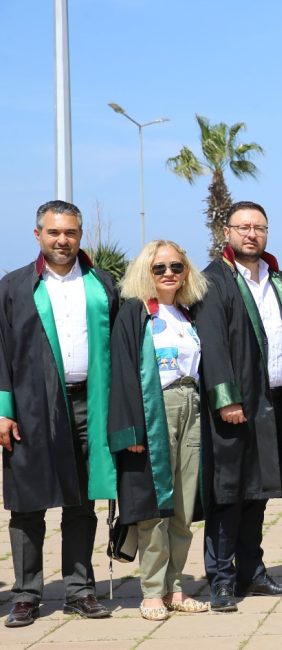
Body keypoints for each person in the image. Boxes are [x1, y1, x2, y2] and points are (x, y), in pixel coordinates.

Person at [0, 200, 118, 627]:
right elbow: (1, 353)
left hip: (91, 403)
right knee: (27, 504)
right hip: (32, 408)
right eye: (54, 233)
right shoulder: (13, 287)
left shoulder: (102, 284)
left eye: (70, 232)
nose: (62, 240)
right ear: (38, 236)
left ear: (80, 236)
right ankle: (27, 594)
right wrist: (3, 410)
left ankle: (78, 590)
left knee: (82, 502)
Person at [192, 201, 282, 612]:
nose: (251, 234)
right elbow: (213, 343)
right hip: (235, 406)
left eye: (259, 227)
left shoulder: (280, 280)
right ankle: (220, 579)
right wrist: (226, 398)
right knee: (228, 494)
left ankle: (251, 572)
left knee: (260, 493)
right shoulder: (213, 280)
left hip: (274, 401)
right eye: (243, 227)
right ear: (227, 233)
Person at [109, 241, 210, 620]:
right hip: (155, 409)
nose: (168, 273)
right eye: (159, 268)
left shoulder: (188, 313)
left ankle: (176, 587)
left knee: (183, 506)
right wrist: (130, 430)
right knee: (154, 505)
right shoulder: (135, 314)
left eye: (176, 266)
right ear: (146, 272)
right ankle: (151, 590)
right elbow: (121, 373)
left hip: (192, 407)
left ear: (186, 271)